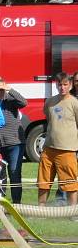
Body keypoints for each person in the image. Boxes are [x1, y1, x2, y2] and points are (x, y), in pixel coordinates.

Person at [38, 72, 78, 206]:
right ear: (56, 85)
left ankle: (73, 212)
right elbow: (50, 120)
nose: (62, 87)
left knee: (70, 183)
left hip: (67, 149)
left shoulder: (74, 103)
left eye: (65, 84)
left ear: (70, 85)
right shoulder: (49, 101)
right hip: (48, 149)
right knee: (44, 182)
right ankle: (41, 210)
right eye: (59, 84)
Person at [0, 77, 27, 204]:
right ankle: (1, 202)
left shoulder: (11, 99)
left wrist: (10, 89)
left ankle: (16, 203)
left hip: (14, 143)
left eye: (1, 89)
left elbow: (24, 102)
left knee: (14, 172)